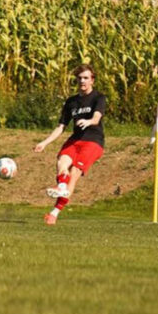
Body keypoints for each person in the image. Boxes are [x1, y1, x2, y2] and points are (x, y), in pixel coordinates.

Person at [33, 64, 106, 225]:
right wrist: (44, 143)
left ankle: (54, 213)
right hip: (75, 140)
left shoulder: (98, 98)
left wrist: (87, 121)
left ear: (92, 80)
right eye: (80, 78)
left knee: (74, 174)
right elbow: (61, 127)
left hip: (93, 141)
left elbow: (96, 118)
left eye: (86, 78)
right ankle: (62, 187)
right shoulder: (71, 102)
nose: (82, 81)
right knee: (62, 163)